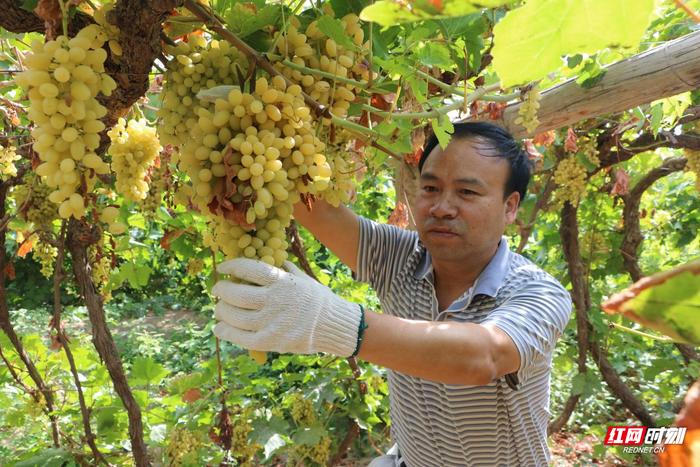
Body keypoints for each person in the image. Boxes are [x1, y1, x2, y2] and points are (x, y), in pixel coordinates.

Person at [211, 121, 572, 466]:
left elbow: (484, 356)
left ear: (510, 207)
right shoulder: (399, 257)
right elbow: (309, 203)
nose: (442, 207)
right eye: (430, 189)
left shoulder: (538, 292)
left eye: (467, 192)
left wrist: (336, 323)